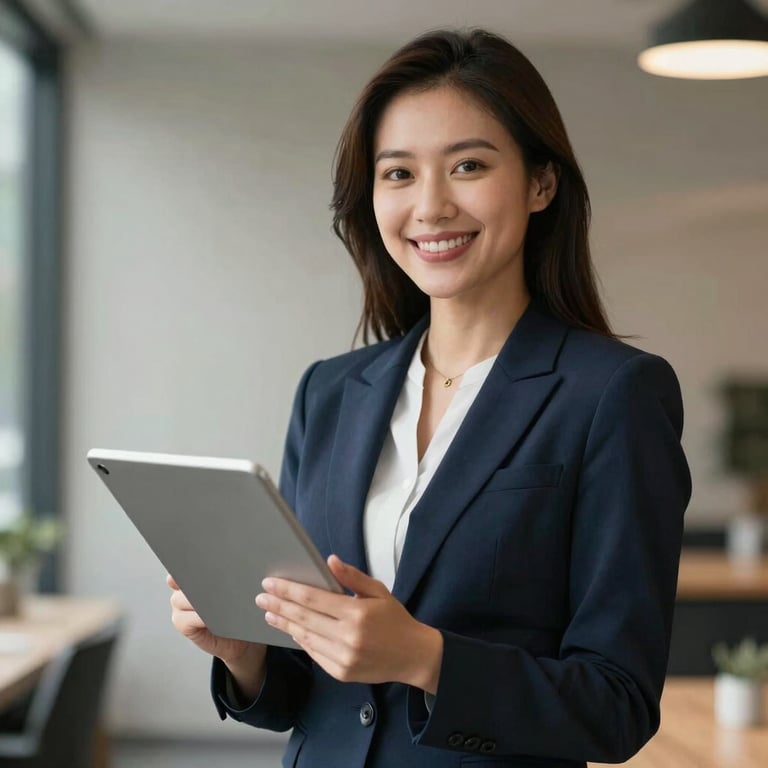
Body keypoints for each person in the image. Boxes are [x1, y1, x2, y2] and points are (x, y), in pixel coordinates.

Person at [168, 28, 691, 768]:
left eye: (468, 166)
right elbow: (308, 694)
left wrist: (426, 658)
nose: (431, 206)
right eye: (399, 174)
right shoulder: (330, 392)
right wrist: (243, 655)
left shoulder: (613, 395)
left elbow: (618, 705)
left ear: (541, 183)